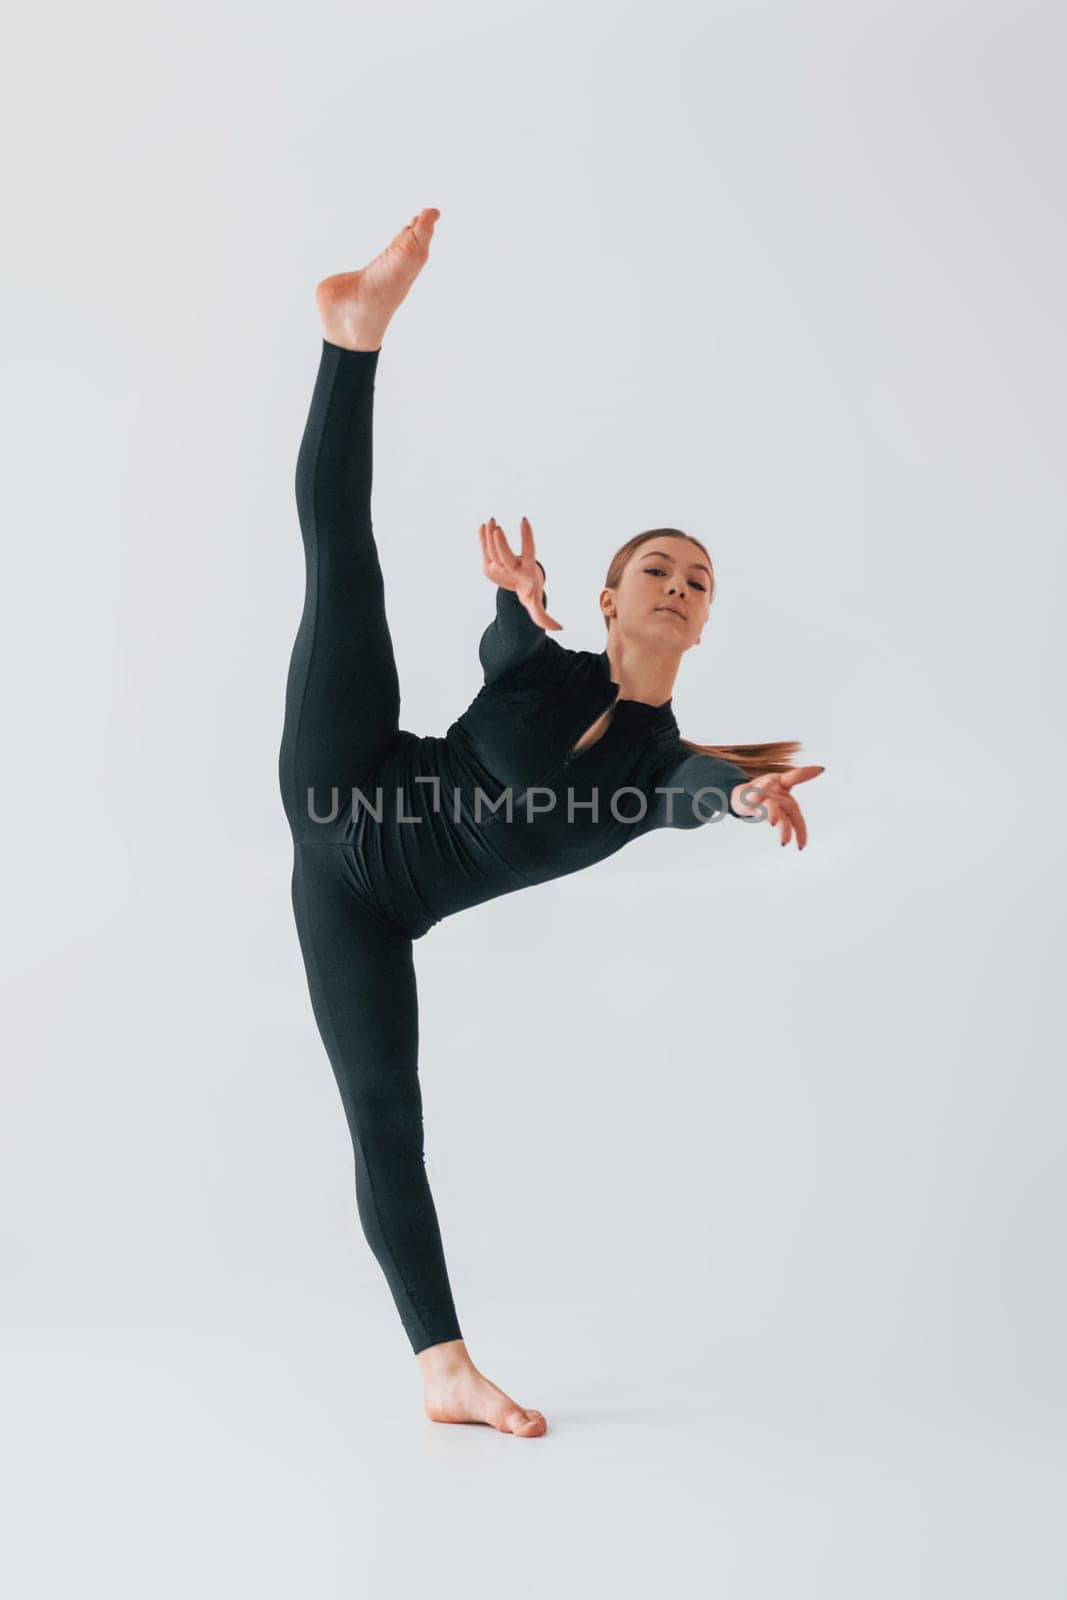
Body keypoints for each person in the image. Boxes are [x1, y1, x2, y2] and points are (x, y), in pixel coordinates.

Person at [278, 207, 824, 1438]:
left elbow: (695, 793)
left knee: (385, 1118)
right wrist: (513, 603)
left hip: (361, 903)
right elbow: (506, 641)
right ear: (608, 595)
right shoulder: (542, 659)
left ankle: (442, 1369)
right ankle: (351, 335)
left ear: (699, 623)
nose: (679, 587)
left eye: (697, 582)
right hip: (348, 771)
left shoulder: (656, 767)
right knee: (341, 562)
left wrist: (748, 791)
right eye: (658, 569)